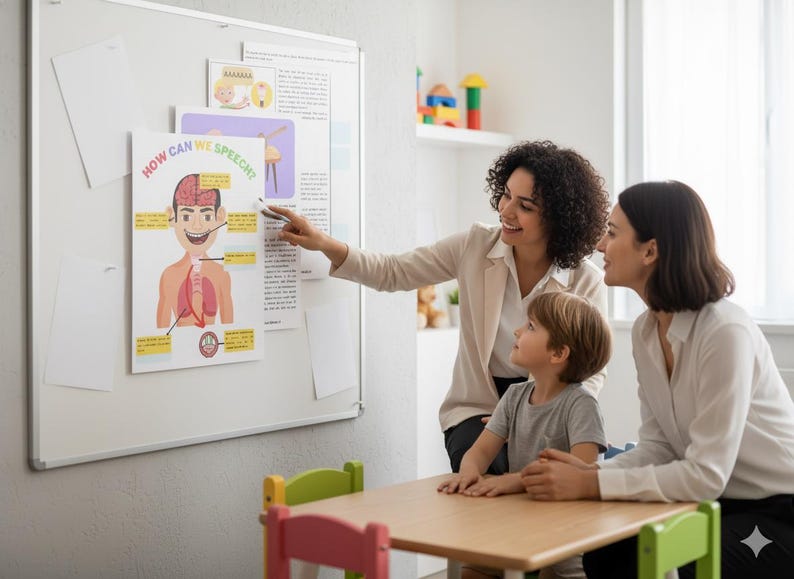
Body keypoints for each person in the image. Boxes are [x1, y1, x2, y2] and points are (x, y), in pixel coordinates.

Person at [269, 140, 610, 474]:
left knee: (540, 489)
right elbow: (394, 271)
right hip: (477, 408)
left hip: (549, 406)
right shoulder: (475, 245)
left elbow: (589, 367)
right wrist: (324, 243)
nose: (506, 211)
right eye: (506, 194)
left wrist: (544, 412)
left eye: (526, 206)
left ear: (559, 219)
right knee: (486, 479)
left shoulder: (584, 280)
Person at [519, 181, 794, 578]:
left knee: (671, 561)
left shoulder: (724, 332)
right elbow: (659, 447)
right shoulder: (646, 331)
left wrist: (588, 486)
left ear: (651, 250)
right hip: (717, 502)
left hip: (775, 510)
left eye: (612, 233)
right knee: (606, 553)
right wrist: (588, 474)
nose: (600, 245)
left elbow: (705, 476)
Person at [437, 291, 610, 579]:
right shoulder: (515, 396)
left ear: (558, 353)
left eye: (531, 326)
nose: (517, 330)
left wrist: (515, 481)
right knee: (473, 568)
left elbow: (583, 470)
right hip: (521, 522)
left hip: (566, 536)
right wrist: (468, 472)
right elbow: (480, 452)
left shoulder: (582, 405)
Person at [157, 173, 233, 329]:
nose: (197, 226)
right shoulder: (169, 276)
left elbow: (229, 327)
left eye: (206, 217)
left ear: (220, 216)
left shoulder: (221, 275)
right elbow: (161, 330)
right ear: (172, 217)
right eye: (186, 217)